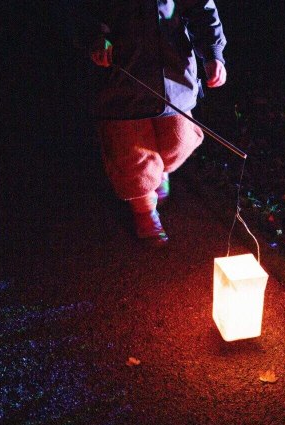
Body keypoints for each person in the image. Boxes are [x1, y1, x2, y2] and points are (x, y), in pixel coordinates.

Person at [76, 1, 227, 246]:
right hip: (121, 74)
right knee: (130, 150)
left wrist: (213, 53)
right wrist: (95, 36)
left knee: (178, 139)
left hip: (173, 70)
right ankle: (145, 209)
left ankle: (158, 171)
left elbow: (201, 7)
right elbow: (83, 10)